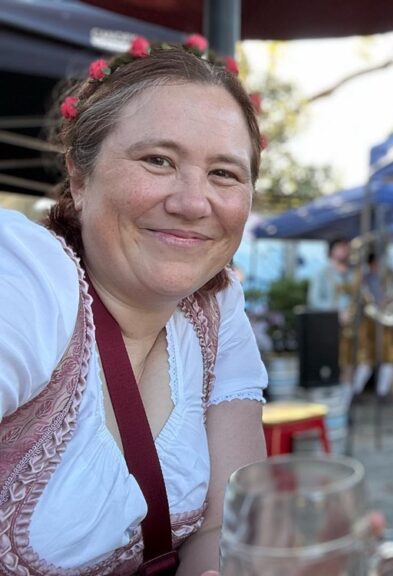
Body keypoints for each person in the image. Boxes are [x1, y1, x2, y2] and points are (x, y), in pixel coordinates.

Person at [0, 37, 267, 575]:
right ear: (78, 177)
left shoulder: (217, 307)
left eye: (224, 173)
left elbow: (224, 527)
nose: (193, 202)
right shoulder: (28, 275)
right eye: (158, 160)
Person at [307, 237, 355, 386]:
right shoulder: (322, 272)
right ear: (331, 250)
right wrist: (337, 313)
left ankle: (350, 393)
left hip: (353, 323)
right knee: (335, 360)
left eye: (346, 247)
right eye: (340, 247)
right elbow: (314, 299)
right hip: (330, 325)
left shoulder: (353, 273)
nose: (344, 251)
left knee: (353, 359)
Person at [352, 251, 393, 397]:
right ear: (372, 264)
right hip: (369, 324)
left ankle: (381, 393)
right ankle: (356, 392)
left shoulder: (385, 280)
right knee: (366, 361)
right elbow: (366, 302)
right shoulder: (365, 280)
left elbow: (390, 299)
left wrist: (391, 302)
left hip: (383, 323)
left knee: (388, 360)